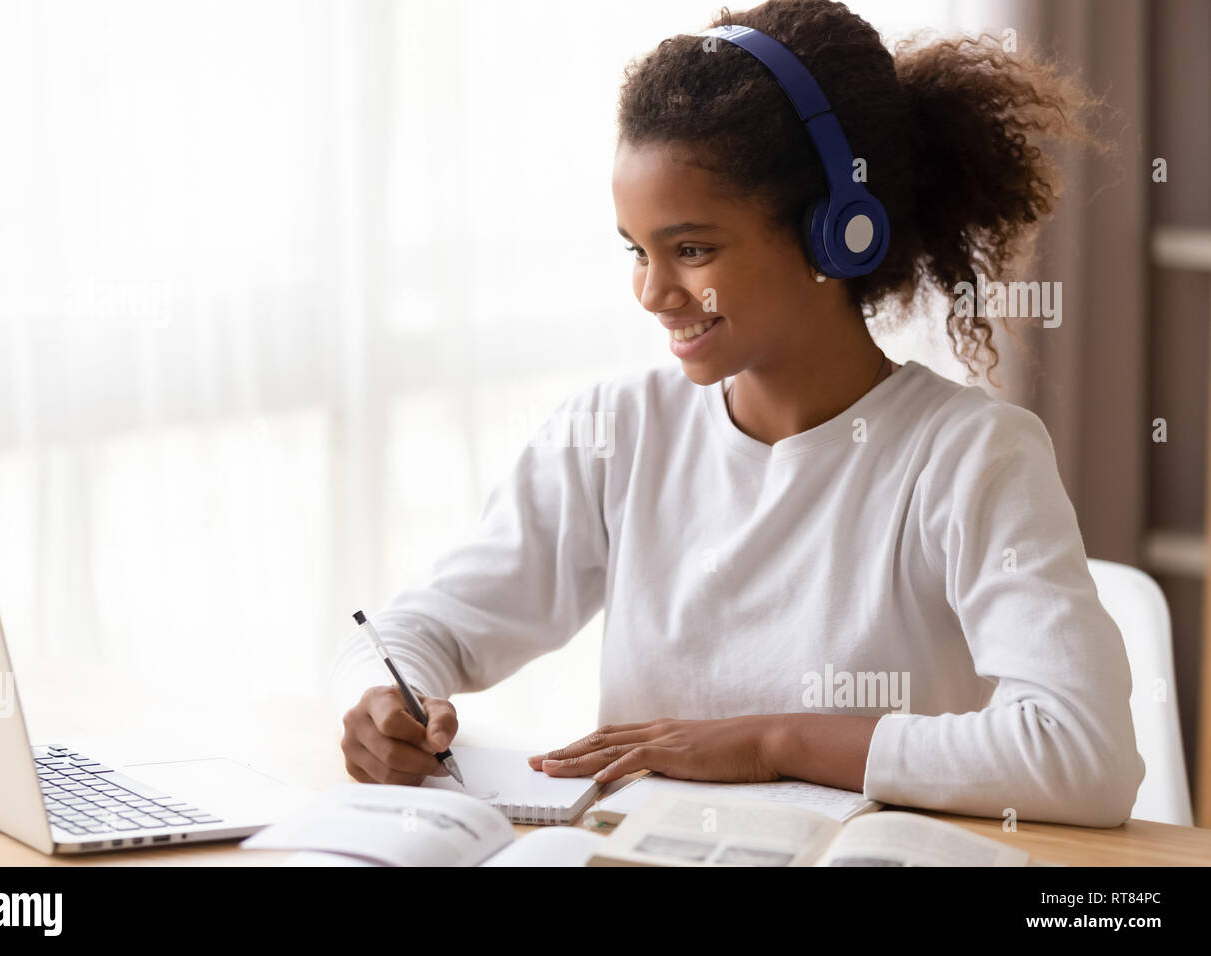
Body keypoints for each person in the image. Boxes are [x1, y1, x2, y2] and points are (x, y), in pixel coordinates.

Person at [331, 0, 1145, 827]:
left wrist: (771, 743)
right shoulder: (620, 434)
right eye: (636, 250)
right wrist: (382, 695)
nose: (652, 293)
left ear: (840, 234)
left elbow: (1086, 755)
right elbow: (420, 627)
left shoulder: (971, 457)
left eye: (691, 250)